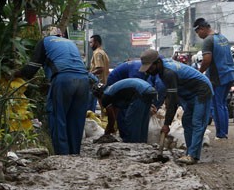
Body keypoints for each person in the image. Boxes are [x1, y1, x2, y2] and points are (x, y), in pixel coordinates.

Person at [15, 26, 92, 155]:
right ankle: (74, 153)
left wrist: (16, 74)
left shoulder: (44, 42)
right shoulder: (70, 43)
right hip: (83, 79)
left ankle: (62, 155)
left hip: (64, 79)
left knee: (58, 117)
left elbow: (32, 68)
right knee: (76, 119)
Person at [140, 49, 213, 165]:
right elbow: (171, 95)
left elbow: (173, 101)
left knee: (197, 122)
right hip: (190, 93)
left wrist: (166, 124)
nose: (148, 71)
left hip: (202, 90)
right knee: (186, 121)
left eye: (150, 68)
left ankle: (193, 155)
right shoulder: (163, 71)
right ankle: (190, 152)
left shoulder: (168, 72)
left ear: (157, 63)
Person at [194, 18, 234, 139]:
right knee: (222, 104)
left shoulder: (208, 40)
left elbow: (206, 60)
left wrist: (199, 72)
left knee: (216, 105)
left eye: (198, 33)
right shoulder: (222, 37)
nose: (198, 35)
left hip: (219, 76)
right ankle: (224, 132)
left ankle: (221, 134)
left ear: (202, 29)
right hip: (230, 73)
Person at [106, 59, 166, 139]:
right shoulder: (136, 71)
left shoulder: (149, 72)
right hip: (119, 84)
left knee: (141, 114)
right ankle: (126, 136)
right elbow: (134, 90)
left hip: (132, 89)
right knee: (127, 115)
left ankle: (137, 138)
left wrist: (150, 104)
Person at [99, 78, 158, 143]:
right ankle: (142, 144)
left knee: (131, 120)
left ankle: (132, 144)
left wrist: (108, 130)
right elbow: (115, 113)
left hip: (140, 92)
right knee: (142, 122)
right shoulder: (113, 91)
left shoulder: (105, 96)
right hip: (149, 90)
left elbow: (111, 118)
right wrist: (112, 126)